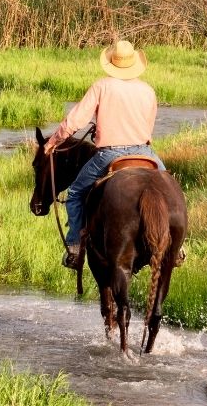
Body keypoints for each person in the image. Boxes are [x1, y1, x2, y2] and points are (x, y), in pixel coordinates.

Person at [43, 40, 167, 269]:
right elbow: (148, 128)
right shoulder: (148, 90)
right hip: (145, 152)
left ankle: (74, 246)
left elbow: (75, 120)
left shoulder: (102, 86)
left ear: (112, 63)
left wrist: (53, 142)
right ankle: (176, 247)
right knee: (169, 188)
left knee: (76, 193)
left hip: (110, 154)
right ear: (134, 64)